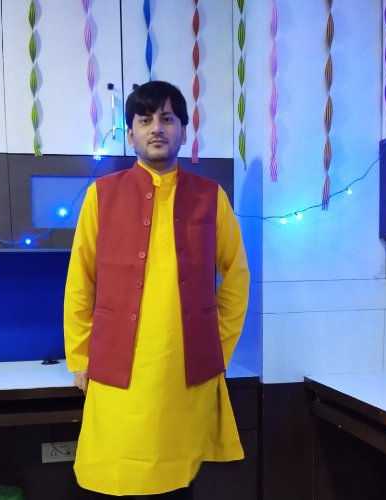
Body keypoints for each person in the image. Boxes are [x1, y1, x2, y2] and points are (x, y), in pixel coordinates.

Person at [64, 81, 250, 499]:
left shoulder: (210, 197)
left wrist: (218, 345)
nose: (157, 128)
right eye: (145, 120)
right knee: (117, 479)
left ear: (183, 129)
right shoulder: (101, 196)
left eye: (167, 119)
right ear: (130, 133)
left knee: (177, 483)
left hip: (184, 373)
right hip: (118, 369)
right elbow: (80, 280)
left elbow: (237, 276)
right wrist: (79, 355)